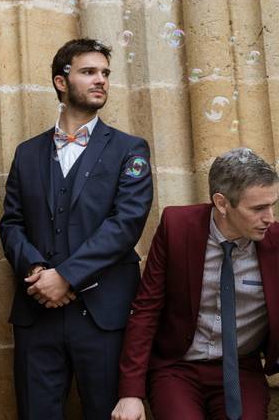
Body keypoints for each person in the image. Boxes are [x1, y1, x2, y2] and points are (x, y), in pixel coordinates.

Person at [0, 38, 153, 419]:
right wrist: (36, 271)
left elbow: (125, 224)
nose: (100, 80)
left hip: (104, 314)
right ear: (60, 82)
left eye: (104, 73)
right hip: (37, 315)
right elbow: (12, 223)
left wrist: (65, 277)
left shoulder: (130, 149)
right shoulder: (27, 153)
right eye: (88, 72)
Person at [112, 149, 279, 420]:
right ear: (222, 203)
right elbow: (146, 310)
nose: (270, 218)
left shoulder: (276, 242)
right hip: (176, 368)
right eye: (258, 208)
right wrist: (130, 393)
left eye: (272, 205)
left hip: (242, 369)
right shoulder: (176, 226)